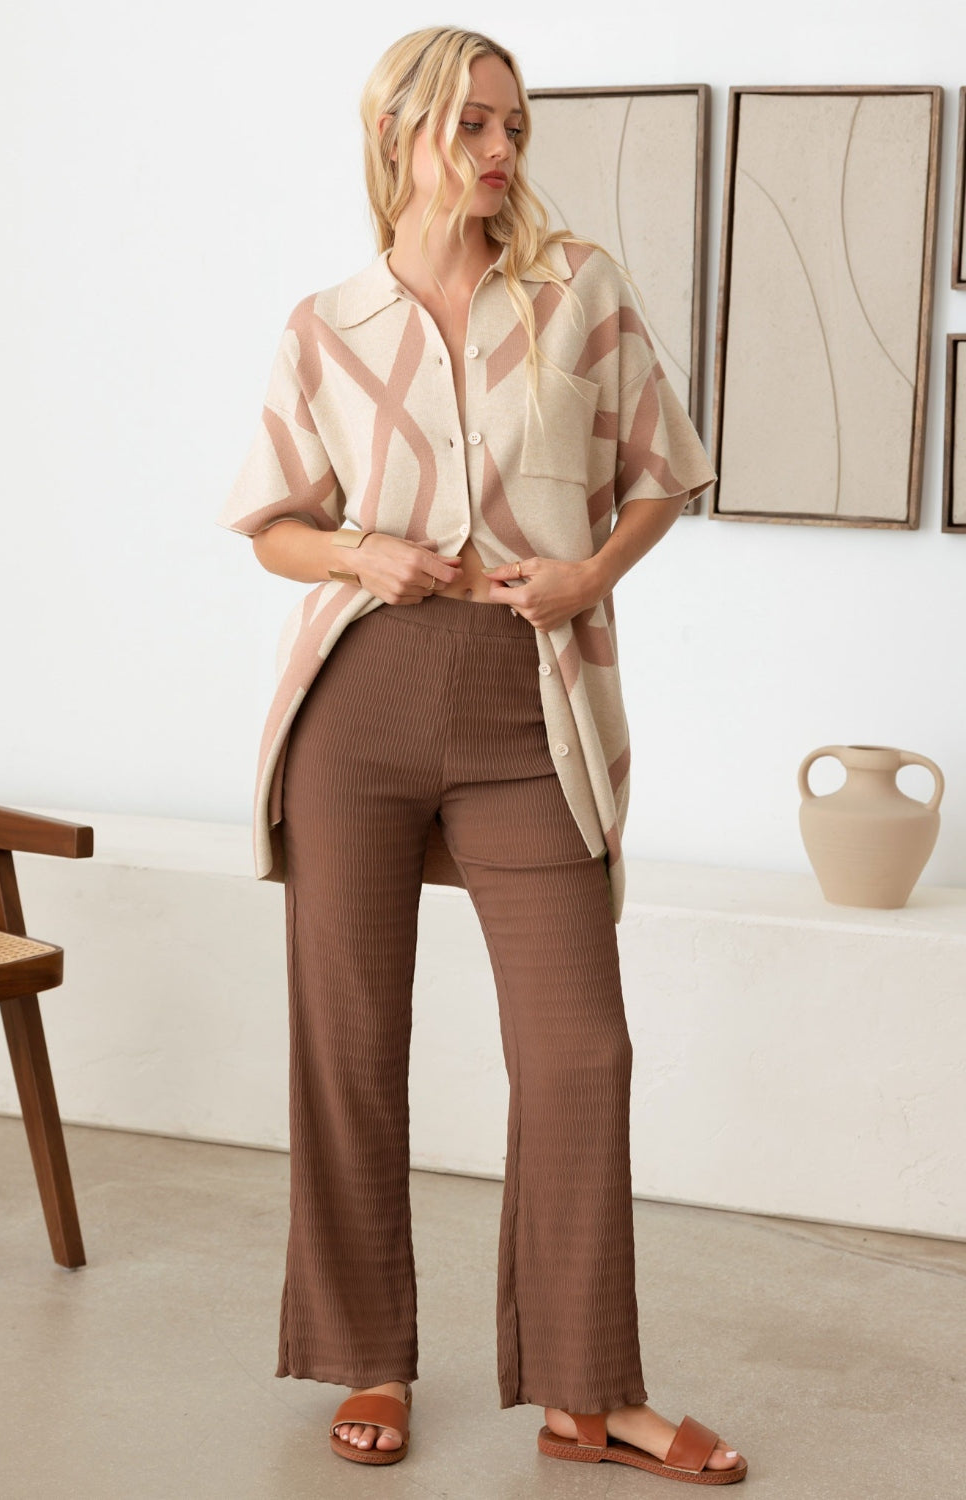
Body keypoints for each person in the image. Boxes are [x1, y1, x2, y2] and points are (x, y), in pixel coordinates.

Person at [217, 24, 747, 1487]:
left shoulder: (578, 290)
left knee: (581, 1047)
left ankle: (593, 1391)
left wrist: (590, 579)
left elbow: (663, 471)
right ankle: (369, 1356)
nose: (504, 152)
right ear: (400, 139)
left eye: (514, 124)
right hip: (359, 703)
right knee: (349, 1044)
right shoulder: (326, 326)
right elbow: (270, 527)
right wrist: (358, 549)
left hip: (531, 701)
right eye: (473, 127)